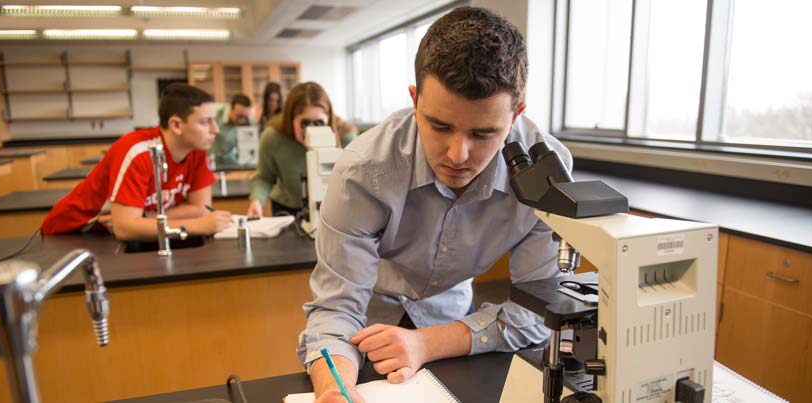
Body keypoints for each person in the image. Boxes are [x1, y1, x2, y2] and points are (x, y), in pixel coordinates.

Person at [297, 7, 573, 403]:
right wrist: (332, 393)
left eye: (483, 133)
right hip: (365, 330)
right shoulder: (364, 170)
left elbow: (537, 312)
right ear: (415, 100)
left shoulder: (547, 175)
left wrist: (426, 343)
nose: (458, 154)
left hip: (457, 327)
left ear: (516, 116)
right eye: (440, 126)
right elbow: (336, 312)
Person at [41, 83, 233, 239]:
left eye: (214, 120)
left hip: (108, 235)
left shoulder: (196, 151)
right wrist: (197, 226)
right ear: (176, 125)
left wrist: (143, 218)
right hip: (71, 234)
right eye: (205, 122)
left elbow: (200, 208)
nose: (215, 129)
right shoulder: (138, 152)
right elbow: (125, 229)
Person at [246, 81, 358, 218]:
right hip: (288, 209)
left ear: (329, 119)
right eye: (305, 123)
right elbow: (264, 177)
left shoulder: (346, 138)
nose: (311, 130)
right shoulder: (273, 137)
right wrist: (257, 201)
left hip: (332, 209)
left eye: (318, 123)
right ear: (290, 119)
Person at [209, 94, 253, 166]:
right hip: (212, 163)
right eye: (239, 116)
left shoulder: (249, 123)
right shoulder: (215, 115)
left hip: (231, 164)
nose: (242, 120)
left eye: (245, 117)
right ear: (231, 109)